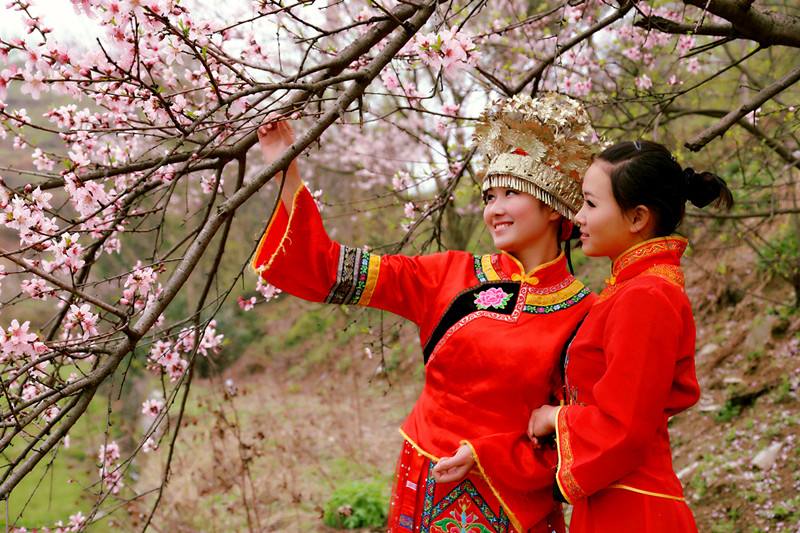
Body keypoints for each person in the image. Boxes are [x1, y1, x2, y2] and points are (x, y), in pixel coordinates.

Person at [252, 94, 598, 533]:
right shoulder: (448, 274)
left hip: (515, 502)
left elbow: (584, 432)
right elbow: (327, 269)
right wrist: (287, 169)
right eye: (490, 196)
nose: (494, 209)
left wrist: (488, 456)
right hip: (425, 486)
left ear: (552, 206)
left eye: (511, 193)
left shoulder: (586, 312)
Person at [528, 140, 733, 532]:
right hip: (616, 498)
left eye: (590, 204)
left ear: (637, 217)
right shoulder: (632, 288)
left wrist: (555, 417)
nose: (578, 216)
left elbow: (624, 425)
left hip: (634, 511)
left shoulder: (647, 296)